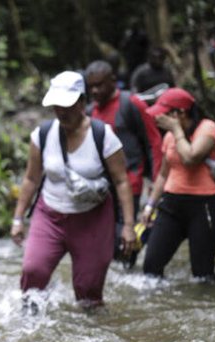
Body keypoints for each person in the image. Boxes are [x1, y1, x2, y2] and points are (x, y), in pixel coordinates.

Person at [10, 71, 136, 310]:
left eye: (67, 104)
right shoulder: (43, 135)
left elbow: (121, 181)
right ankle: (29, 324)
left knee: (88, 291)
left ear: (82, 102)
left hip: (94, 219)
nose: (61, 111)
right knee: (33, 271)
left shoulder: (102, 136)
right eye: (56, 105)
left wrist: (128, 226)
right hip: (50, 215)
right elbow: (30, 178)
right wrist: (18, 218)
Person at [85, 60, 164, 266]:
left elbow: (153, 141)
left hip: (130, 181)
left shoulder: (131, 103)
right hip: (101, 186)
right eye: (91, 86)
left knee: (124, 236)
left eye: (99, 85)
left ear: (113, 81)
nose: (94, 90)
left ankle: (128, 270)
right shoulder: (90, 111)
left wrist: (156, 180)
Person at [141, 88, 215, 282]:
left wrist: (176, 130)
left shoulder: (207, 128)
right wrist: (149, 206)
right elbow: (163, 175)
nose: (159, 118)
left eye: (165, 113)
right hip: (171, 206)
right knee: (151, 266)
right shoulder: (169, 137)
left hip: (203, 207)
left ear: (180, 113)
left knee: (203, 275)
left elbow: (190, 157)